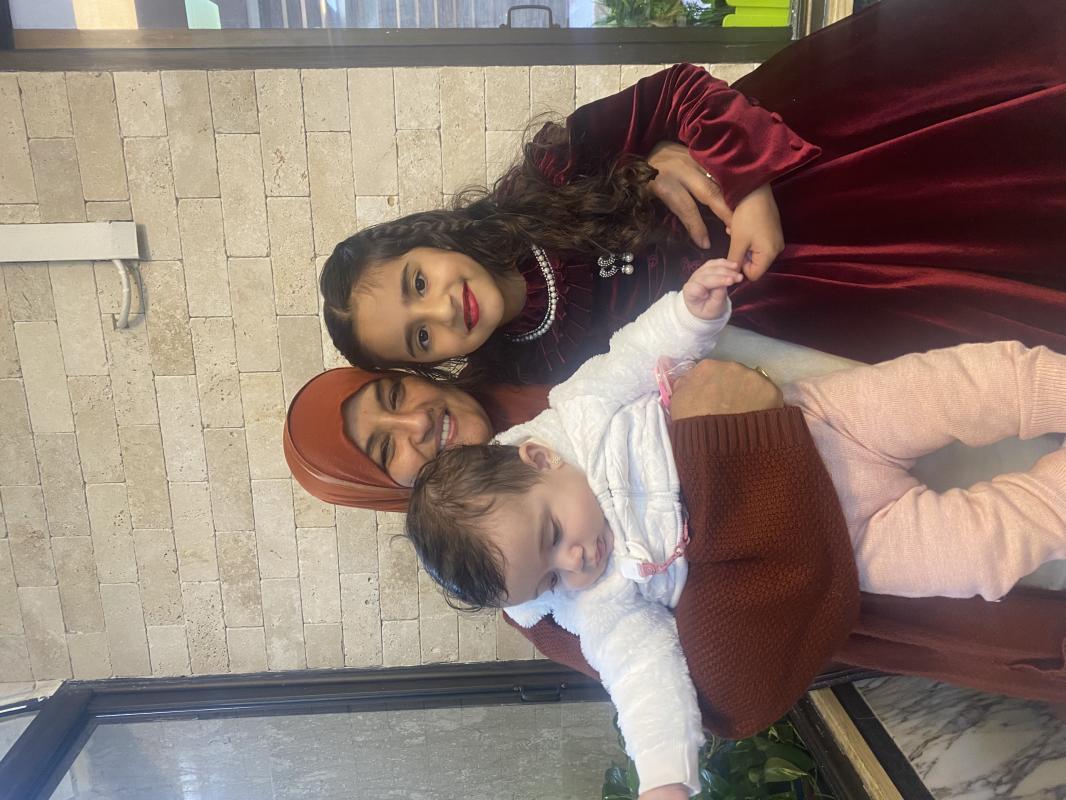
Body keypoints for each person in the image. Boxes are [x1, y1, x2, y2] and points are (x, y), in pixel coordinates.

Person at [405, 264, 1066, 799]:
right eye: (550, 578)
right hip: (838, 537)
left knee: (966, 385)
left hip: (821, 423)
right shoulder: (601, 604)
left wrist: (689, 313)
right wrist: (663, 775)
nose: (575, 560)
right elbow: (642, 679)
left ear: (539, 458)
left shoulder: (581, 410)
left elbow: (633, 354)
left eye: (552, 535)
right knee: (983, 552)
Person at [320, 0, 1066, 385]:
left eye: (418, 282)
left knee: (987, 158)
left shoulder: (548, 177)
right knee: (990, 283)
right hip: (806, 299)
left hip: (803, 171)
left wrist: (744, 182)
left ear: (431, 238)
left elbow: (677, 91)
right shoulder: (541, 373)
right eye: (422, 338)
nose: (442, 311)